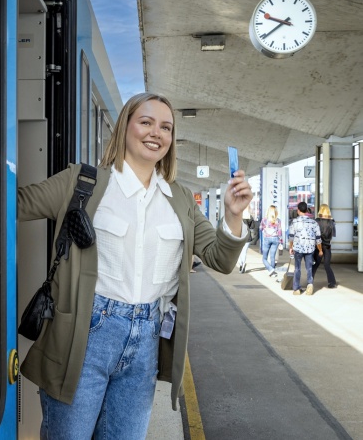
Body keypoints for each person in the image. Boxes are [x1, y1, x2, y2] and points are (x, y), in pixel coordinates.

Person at [17, 92, 252, 439]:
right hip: (86, 334)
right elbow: (17, 204)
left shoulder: (181, 198)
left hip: (146, 340)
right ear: (125, 127)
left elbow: (220, 257)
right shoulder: (82, 183)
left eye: (166, 127)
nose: (156, 132)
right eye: (146, 122)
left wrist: (234, 215)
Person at [288, 201, 323, 296]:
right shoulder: (313, 222)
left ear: (298, 210)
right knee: (309, 268)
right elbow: (318, 238)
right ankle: (310, 285)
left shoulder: (294, 222)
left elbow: (291, 237)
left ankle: (296, 289)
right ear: (307, 210)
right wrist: (320, 250)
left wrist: (291, 247)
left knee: (297, 268)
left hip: (298, 248)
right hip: (310, 248)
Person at [312, 203, 337, 288]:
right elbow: (332, 235)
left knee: (316, 264)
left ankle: (310, 281)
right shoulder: (332, 222)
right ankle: (332, 282)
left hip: (318, 247)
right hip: (327, 247)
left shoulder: (316, 221)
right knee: (327, 265)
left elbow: (314, 235)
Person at [259, 205, 283, 278]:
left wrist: (265, 230)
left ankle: (271, 270)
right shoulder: (278, 220)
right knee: (272, 256)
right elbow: (280, 232)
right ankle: (272, 271)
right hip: (275, 239)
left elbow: (260, 228)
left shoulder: (264, 220)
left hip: (267, 239)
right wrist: (281, 242)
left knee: (264, 258)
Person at [237, 206, 255, 273]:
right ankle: (243, 264)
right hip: (247, 236)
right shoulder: (250, 217)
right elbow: (252, 227)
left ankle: (241, 264)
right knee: (244, 252)